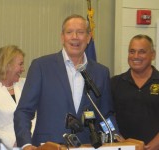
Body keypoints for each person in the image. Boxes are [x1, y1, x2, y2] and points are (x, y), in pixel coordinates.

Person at [14, 14, 118, 150]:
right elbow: (23, 111)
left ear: (89, 37)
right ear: (62, 37)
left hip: (87, 146)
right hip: (48, 146)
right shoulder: (41, 66)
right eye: (69, 32)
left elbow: (106, 114)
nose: (75, 37)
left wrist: (114, 133)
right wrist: (26, 144)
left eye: (80, 32)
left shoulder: (101, 72)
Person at [111, 34, 159, 150]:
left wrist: (152, 146)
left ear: (153, 55)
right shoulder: (115, 83)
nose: (136, 56)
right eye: (132, 51)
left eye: (142, 52)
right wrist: (118, 139)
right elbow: (106, 116)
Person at [0, 45, 35, 149]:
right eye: (20, 64)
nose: (23, 69)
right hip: (8, 146)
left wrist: (28, 140)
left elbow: (36, 115)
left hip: (33, 143)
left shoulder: (27, 83)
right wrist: (15, 140)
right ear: (7, 65)